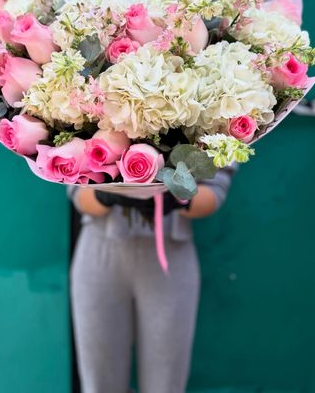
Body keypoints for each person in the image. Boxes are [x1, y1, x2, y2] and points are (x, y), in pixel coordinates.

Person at [69, 167, 235, 393]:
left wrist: (179, 200)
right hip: (100, 254)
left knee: (165, 383)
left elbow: (215, 193)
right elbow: (78, 196)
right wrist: (105, 193)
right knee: (100, 383)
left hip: (171, 256)